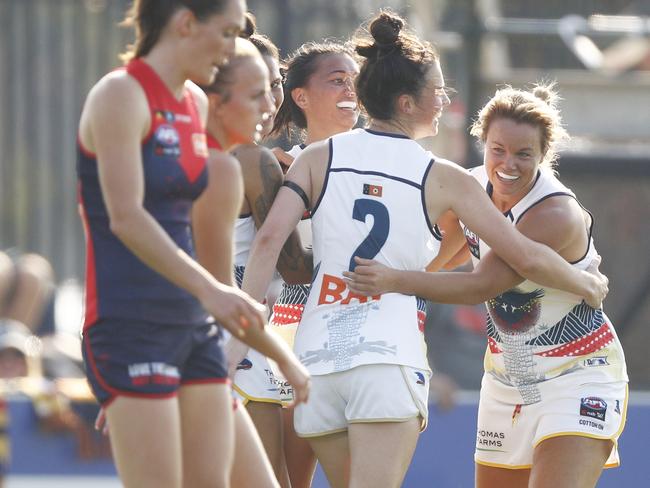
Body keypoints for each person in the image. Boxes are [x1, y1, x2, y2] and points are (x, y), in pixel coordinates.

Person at [241, 11, 608, 488]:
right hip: (386, 358)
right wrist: (586, 281)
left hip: (317, 362)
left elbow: (269, 240)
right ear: (407, 101)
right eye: (437, 92)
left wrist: (245, 330)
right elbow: (524, 255)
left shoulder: (316, 156)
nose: (444, 101)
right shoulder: (444, 176)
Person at [344, 83, 627, 488]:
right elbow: (444, 256)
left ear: (543, 155)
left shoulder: (555, 212)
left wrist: (391, 280)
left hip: (578, 373)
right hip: (505, 380)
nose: (508, 164)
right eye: (498, 150)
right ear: (483, 143)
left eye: (523, 154)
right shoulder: (471, 187)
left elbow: (482, 285)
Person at [76, 2, 308, 487]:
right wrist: (212, 293)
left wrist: (282, 355)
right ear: (185, 23)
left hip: (195, 330)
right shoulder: (120, 94)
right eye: (226, 33)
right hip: (131, 329)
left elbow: (213, 254)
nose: (231, 48)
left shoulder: (193, 104)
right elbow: (126, 218)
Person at [192, 24, 309, 487]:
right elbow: (295, 267)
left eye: (275, 85)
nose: (272, 99)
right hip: (236, 337)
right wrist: (307, 195)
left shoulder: (182, 153)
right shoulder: (256, 163)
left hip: (212, 332)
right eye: (260, 88)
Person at [268, 39, 360, 488]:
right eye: (338, 80)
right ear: (301, 97)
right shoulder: (282, 166)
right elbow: (287, 262)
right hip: (298, 326)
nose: (351, 90)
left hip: (364, 328)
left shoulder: (385, 164)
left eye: (356, 81)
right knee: (290, 478)